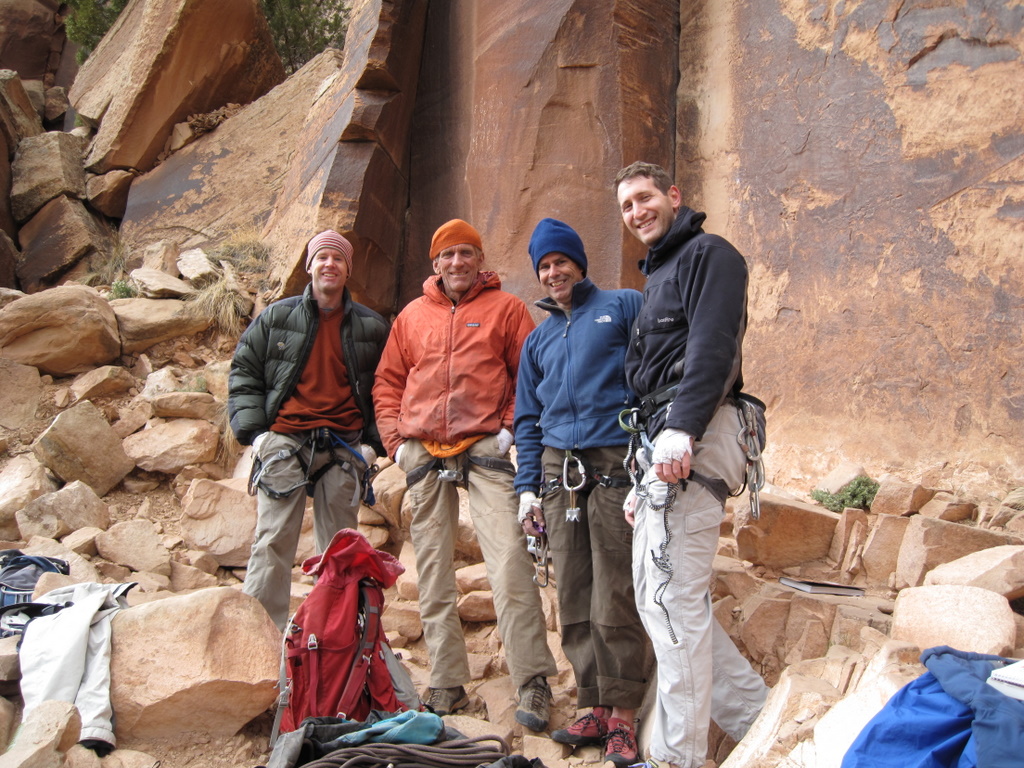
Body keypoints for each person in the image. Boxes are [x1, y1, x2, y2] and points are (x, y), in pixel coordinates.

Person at [372, 219, 558, 730]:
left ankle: (533, 679)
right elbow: (388, 381)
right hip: (423, 454)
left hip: (486, 449)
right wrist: (396, 443)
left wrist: (508, 429)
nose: (457, 263)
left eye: (466, 254)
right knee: (431, 570)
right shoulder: (411, 317)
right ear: (435, 264)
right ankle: (447, 681)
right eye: (448, 255)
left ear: (481, 260)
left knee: (509, 565)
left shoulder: (508, 309)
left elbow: (533, 376)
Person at [614, 162, 769, 768]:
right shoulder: (659, 276)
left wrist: (681, 430)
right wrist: (645, 469)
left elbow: (713, 344)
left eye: (645, 198)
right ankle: (760, 719)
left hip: (699, 433)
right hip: (668, 447)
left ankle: (675, 758)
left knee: (672, 601)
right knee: (666, 599)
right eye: (627, 205)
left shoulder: (711, 255)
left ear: (674, 196)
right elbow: (647, 378)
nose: (637, 212)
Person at [513, 218, 650, 766]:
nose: (553, 272)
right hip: (556, 469)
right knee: (572, 586)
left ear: (579, 262)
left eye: (560, 262)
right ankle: (591, 700)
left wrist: (649, 445)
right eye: (544, 266)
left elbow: (651, 374)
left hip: (615, 459)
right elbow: (527, 416)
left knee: (615, 584)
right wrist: (526, 487)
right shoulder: (538, 338)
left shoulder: (622, 306)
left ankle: (622, 714)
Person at [228, 230, 388, 631]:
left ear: (348, 269)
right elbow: (244, 372)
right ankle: (259, 645)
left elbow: (388, 388)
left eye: (338, 258)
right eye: (322, 258)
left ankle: (333, 639)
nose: (329, 265)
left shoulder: (371, 326)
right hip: (285, 438)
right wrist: (257, 435)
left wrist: (373, 445)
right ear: (309, 266)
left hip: (344, 444)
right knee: (272, 541)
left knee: (340, 550)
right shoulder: (277, 317)